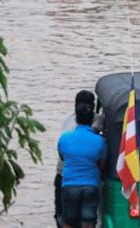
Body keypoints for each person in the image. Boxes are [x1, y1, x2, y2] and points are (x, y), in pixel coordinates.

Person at [54, 90, 103, 228]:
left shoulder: (67, 122)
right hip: (89, 181)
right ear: (93, 107)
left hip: (65, 177)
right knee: (87, 219)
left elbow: (62, 154)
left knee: (64, 218)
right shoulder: (98, 123)